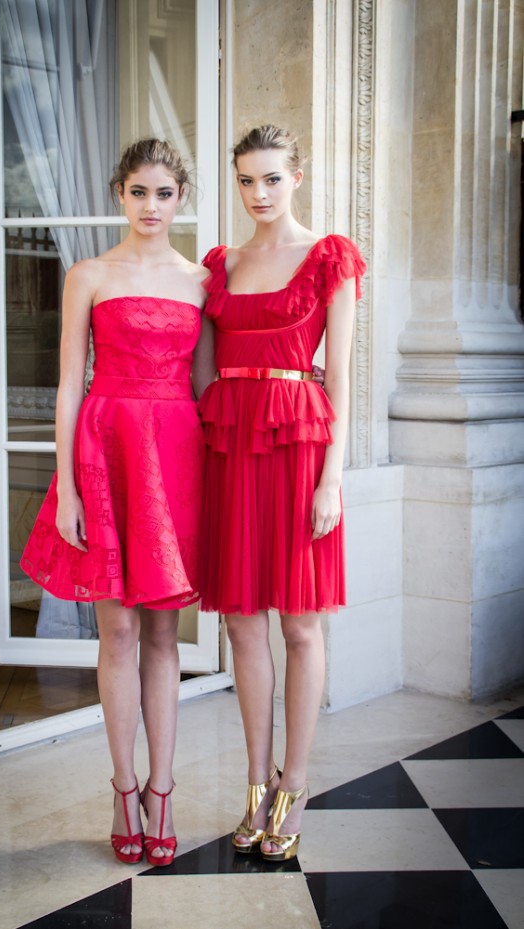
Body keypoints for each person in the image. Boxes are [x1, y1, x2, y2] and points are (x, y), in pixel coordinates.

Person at [21, 139, 209, 867]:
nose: (151, 205)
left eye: (164, 192)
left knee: (162, 635)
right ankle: (123, 789)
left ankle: (163, 791)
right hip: (106, 454)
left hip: (176, 457)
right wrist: (67, 484)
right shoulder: (89, 275)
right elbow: (70, 384)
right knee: (119, 632)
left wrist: (290, 378)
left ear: (181, 197)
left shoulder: (200, 281)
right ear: (119, 195)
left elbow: (206, 386)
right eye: (138, 191)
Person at [195, 125, 366, 861]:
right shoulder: (220, 266)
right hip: (231, 449)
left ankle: (295, 783)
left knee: (300, 627)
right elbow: (202, 375)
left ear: (296, 176)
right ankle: (256, 783)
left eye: (271, 178)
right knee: (242, 627)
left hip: (300, 449)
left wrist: (333, 477)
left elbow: (344, 377)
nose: (258, 193)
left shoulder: (329, 256)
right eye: (245, 180)